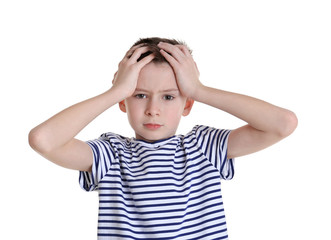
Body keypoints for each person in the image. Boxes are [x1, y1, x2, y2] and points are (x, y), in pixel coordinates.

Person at [29, 37, 298, 239]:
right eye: (139, 94)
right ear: (123, 102)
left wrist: (200, 89)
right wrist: (115, 91)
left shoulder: (203, 147)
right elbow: (43, 140)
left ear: (187, 104)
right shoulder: (110, 154)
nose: (152, 109)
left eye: (169, 96)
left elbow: (283, 124)